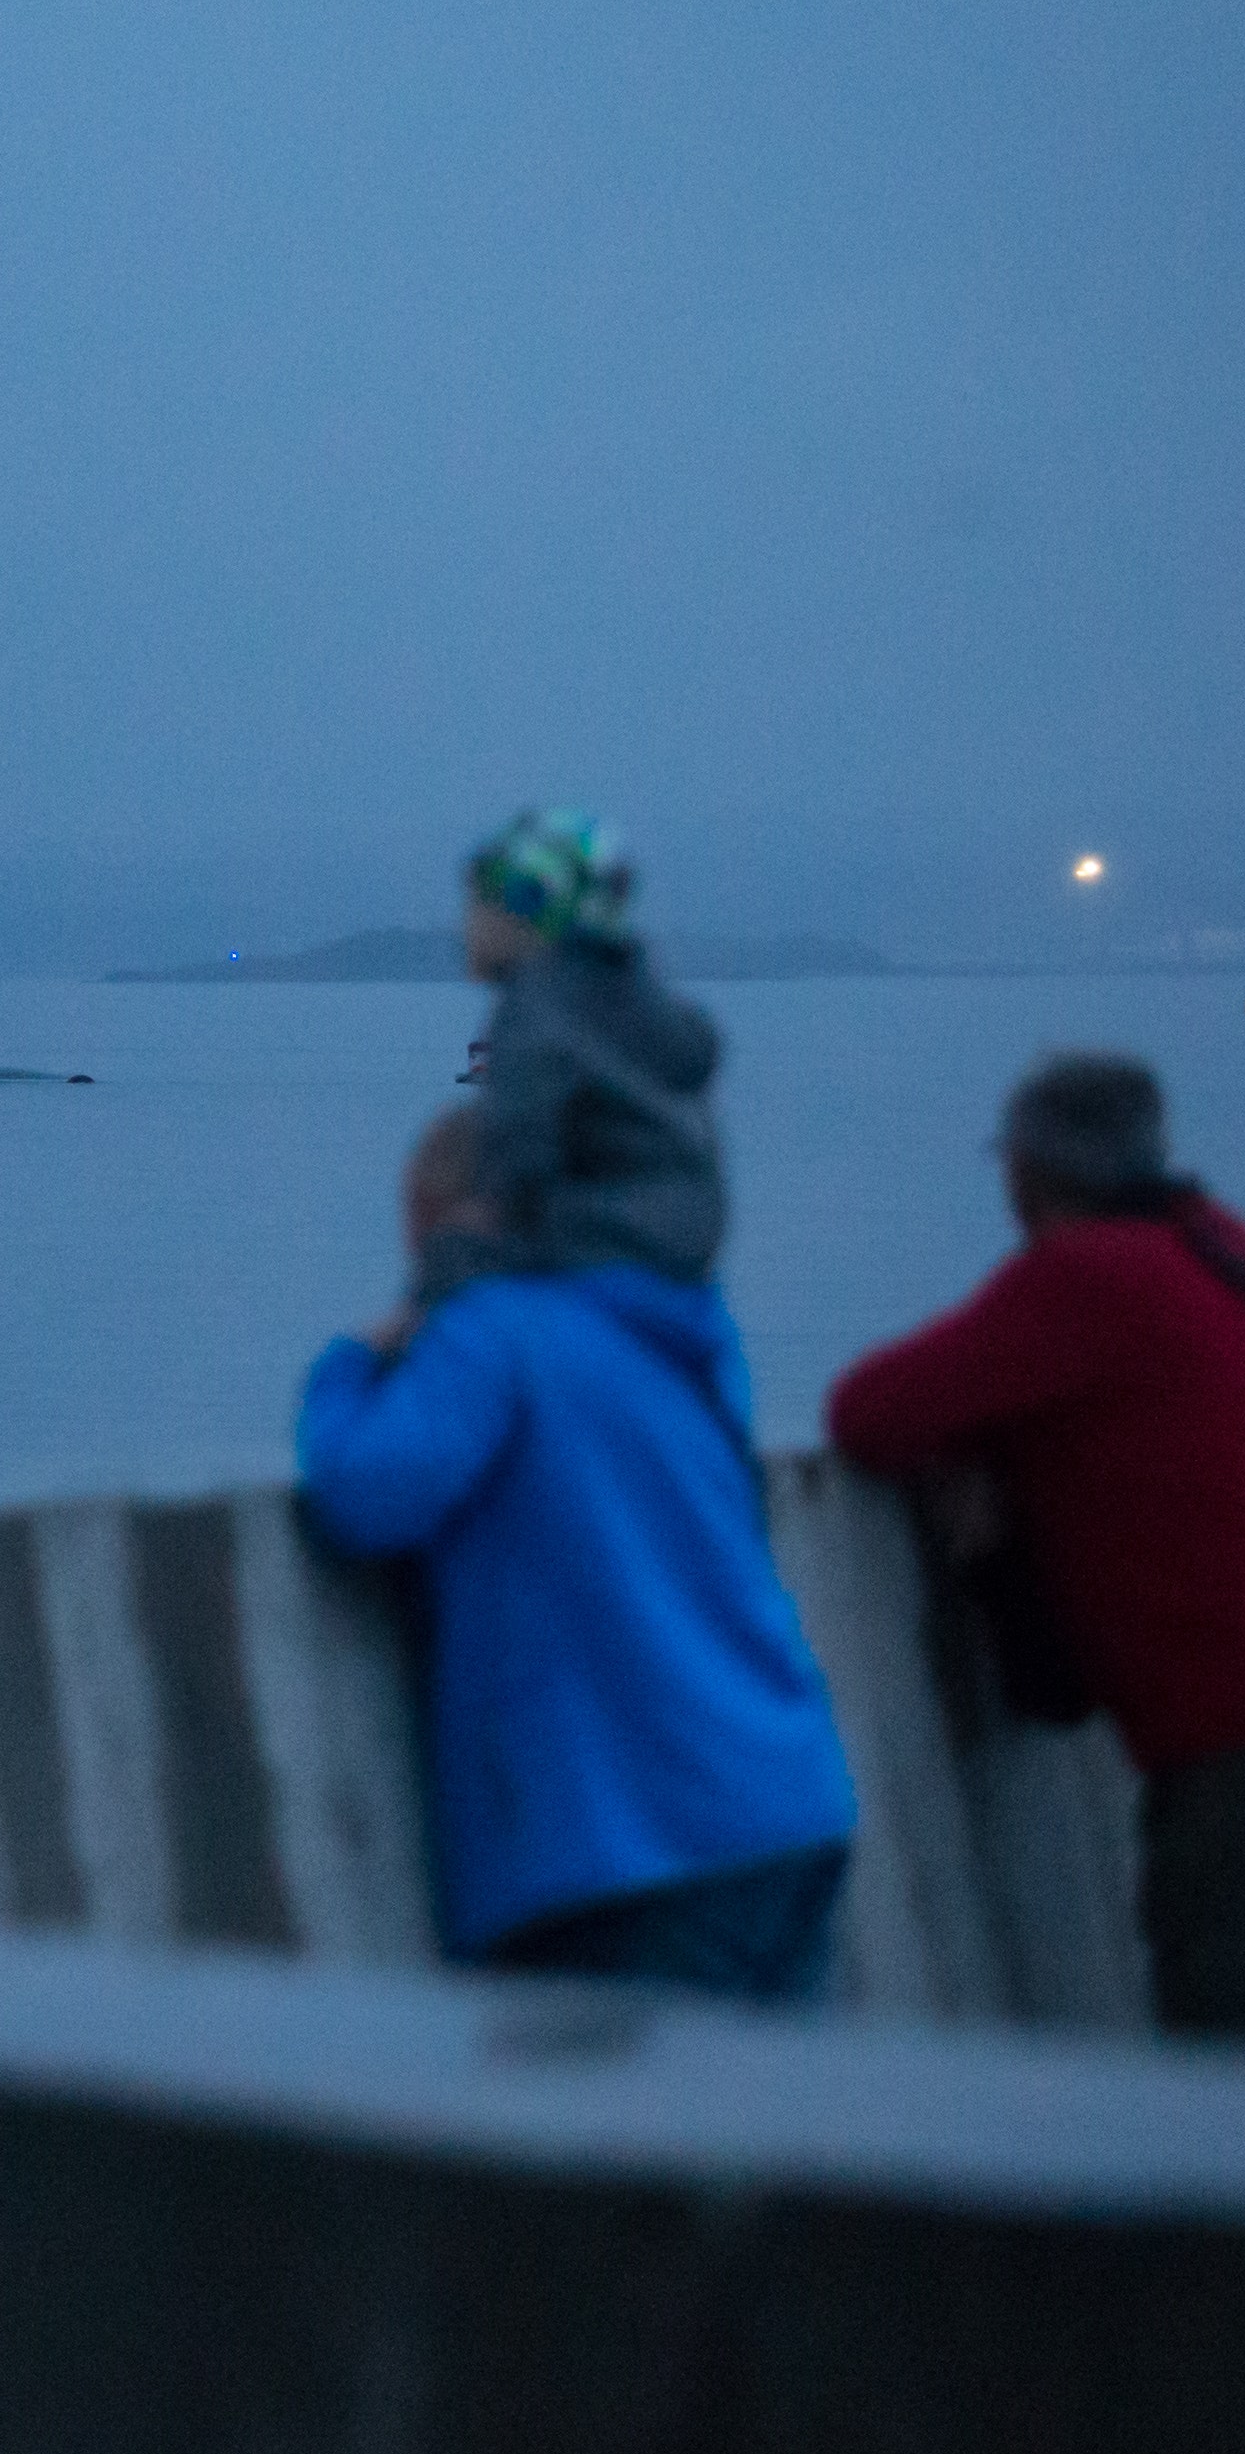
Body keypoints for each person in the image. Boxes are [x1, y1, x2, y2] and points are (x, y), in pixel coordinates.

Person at [826, 1054, 1245, 2051]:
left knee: (1241, 2059)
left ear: (1029, 1170)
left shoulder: (1084, 1280)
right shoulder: (1225, 1246)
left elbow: (866, 1412)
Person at [299, 1105, 862, 1997]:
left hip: (635, 1846)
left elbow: (368, 1493)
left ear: (469, 1221)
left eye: (423, 1236)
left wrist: (348, 1364)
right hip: (788, 1808)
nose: (419, 1270)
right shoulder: (671, 1331)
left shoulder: (492, 1330)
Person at [458, 807, 726, 1281]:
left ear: (527, 905)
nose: (466, 921)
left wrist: (435, 1281)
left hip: (586, 1272)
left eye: (478, 899)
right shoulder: (639, 1000)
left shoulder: (535, 1007)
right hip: (679, 1276)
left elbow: (512, 1179)